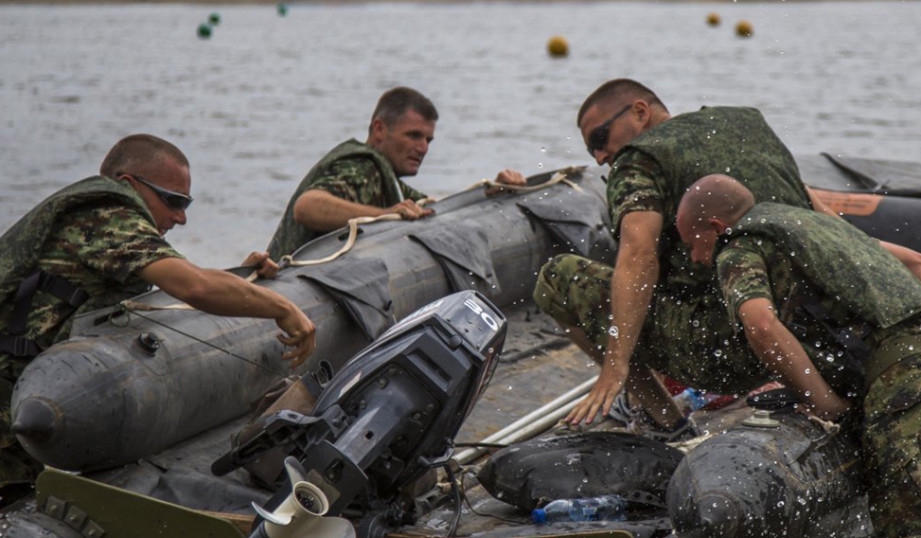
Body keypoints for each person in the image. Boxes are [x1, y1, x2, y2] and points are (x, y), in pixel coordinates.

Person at [678, 173, 921, 538]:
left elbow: (761, 324)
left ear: (717, 227)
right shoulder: (815, 224)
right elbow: (915, 261)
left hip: (908, 390)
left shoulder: (737, 247)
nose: (696, 258)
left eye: (693, 245)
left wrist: (821, 401)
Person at [0, 134, 317, 486]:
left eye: (187, 204)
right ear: (128, 184)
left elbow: (188, 277)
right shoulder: (105, 215)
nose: (180, 217)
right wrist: (283, 309)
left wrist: (243, 279)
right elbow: (194, 286)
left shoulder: (109, 228)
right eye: (172, 200)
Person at [533, 78, 822, 437]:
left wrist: (614, 367)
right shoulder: (747, 124)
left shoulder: (639, 159)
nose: (600, 157)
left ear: (640, 111)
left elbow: (638, 255)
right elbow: (819, 217)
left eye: (599, 139)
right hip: (809, 337)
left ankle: (663, 420)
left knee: (557, 278)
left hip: (731, 353)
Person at [267, 86, 526, 259]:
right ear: (379, 129)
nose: (423, 148)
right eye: (413, 135)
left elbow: (435, 209)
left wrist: (491, 191)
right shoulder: (361, 168)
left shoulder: (388, 179)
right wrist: (384, 215)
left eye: (428, 140)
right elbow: (307, 206)